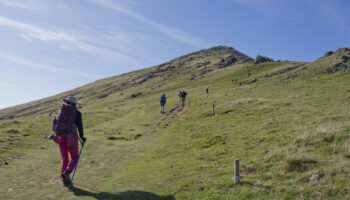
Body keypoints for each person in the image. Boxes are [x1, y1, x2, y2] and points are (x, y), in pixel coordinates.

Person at [52, 96, 86, 187]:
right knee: (75, 158)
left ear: (67, 102)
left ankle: (64, 179)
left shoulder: (61, 111)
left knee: (65, 159)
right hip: (71, 138)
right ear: (75, 104)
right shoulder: (77, 113)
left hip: (60, 138)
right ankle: (67, 172)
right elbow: (80, 126)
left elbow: (56, 123)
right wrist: (82, 137)